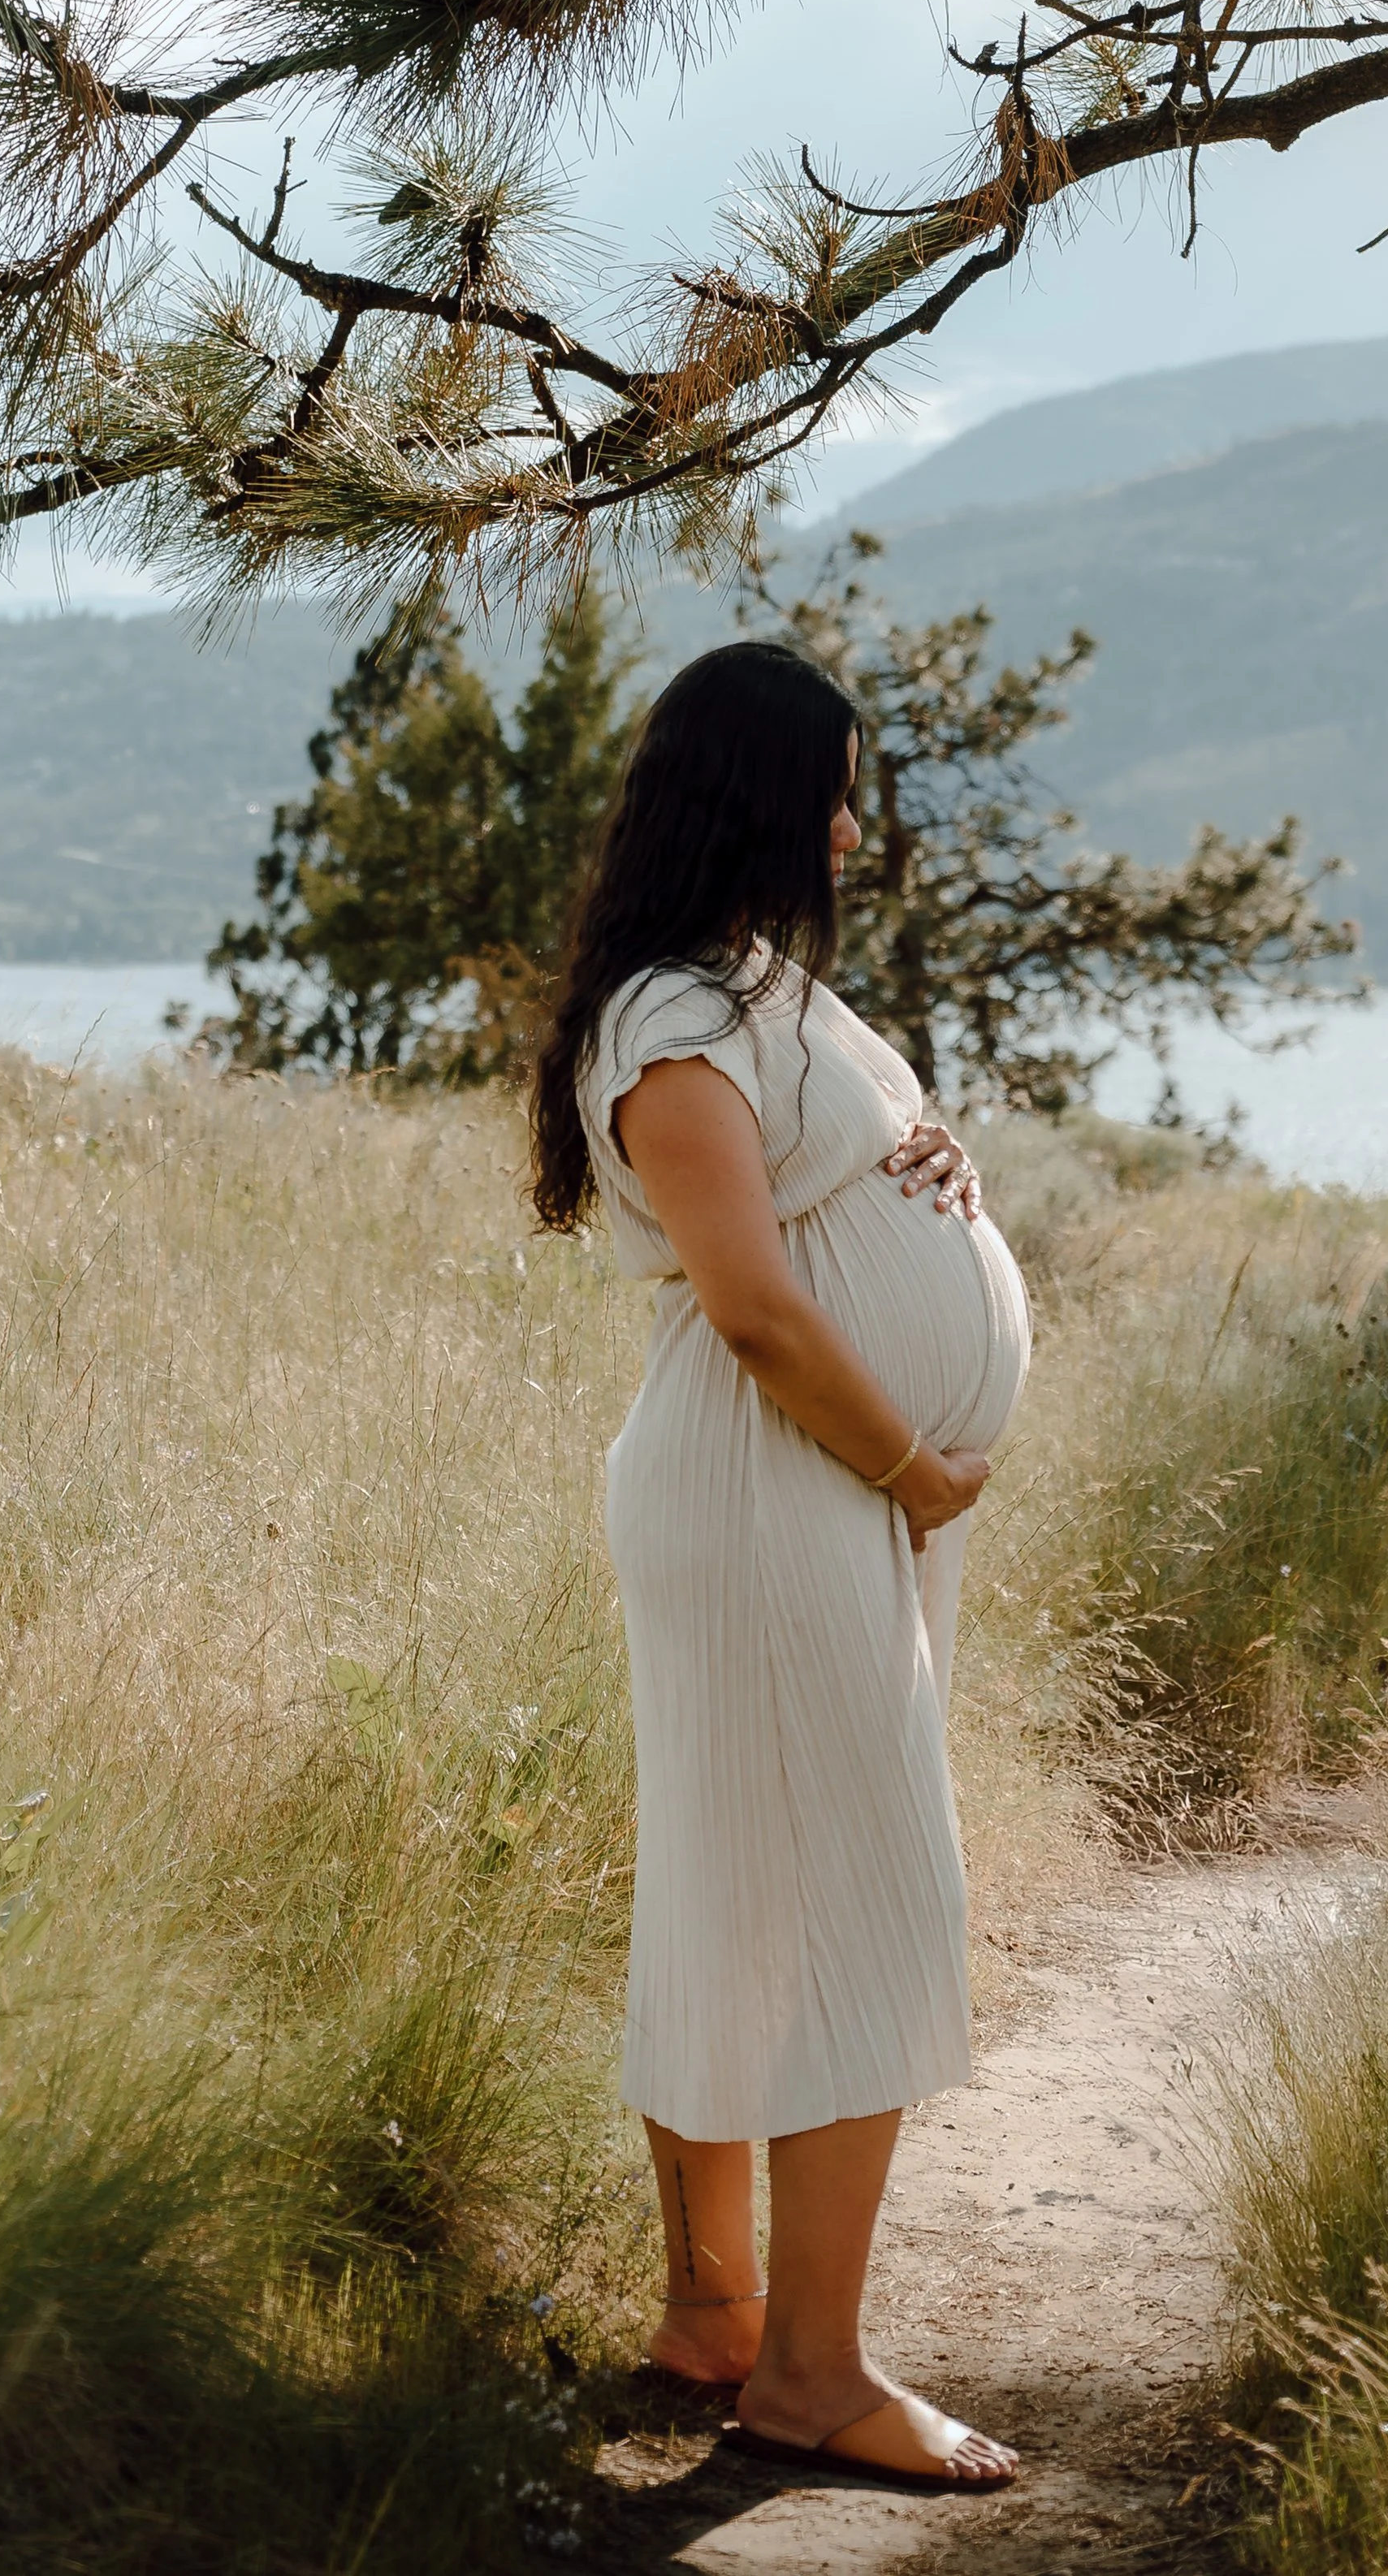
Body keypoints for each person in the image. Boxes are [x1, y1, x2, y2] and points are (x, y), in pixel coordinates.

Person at [531, 637, 1033, 2491]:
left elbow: (807, 1207)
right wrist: (915, 1462)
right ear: (756, 791)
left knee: (742, 1876)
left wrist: (919, 1154)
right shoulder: (674, 1014)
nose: (845, 818)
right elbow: (745, 1302)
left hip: (815, 1492)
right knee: (861, 1888)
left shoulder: (755, 998)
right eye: (829, 781)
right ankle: (810, 2370)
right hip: (782, 1480)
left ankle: (711, 2312)